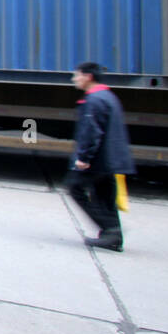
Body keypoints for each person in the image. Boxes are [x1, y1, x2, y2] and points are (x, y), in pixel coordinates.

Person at [65, 62, 135, 252]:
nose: (74, 79)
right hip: (110, 159)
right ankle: (113, 237)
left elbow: (91, 132)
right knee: (104, 195)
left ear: (88, 77)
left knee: (75, 188)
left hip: (98, 160)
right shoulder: (108, 96)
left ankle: (111, 230)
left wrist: (84, 158)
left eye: (77, 75)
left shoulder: (94, 99)